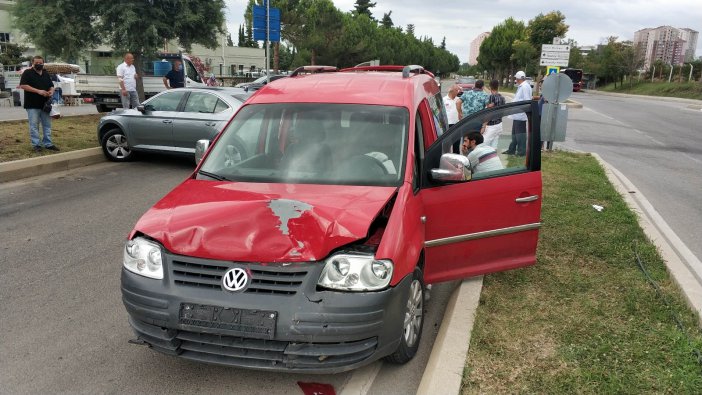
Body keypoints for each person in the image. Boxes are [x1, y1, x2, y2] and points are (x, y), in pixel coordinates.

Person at [19, 55, 59, 152]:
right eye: (36, 63)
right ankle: (36, 145)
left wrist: (51, 91)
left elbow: (51, 86)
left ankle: (48, 143)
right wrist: (38, 91)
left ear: (43, 63)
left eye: (40, 63)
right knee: (34, 126)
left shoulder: (45, 73)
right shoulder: (27, 73)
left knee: (47, 125)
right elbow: (23, 85)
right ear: (32, 63)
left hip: (45, 104)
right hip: (32, 104)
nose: (38, 64)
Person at [503, 71, 532, 156]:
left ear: (518, 78)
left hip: (520, 115)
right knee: (514, 135)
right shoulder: (522, 86)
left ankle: (521, 152)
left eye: (516, 78)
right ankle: (511, 150)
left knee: (520, 135)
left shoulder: (525, 87)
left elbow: (527, 100)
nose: (515, 79)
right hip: (516, 114)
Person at [482, 79, 505, 149]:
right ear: (498, 87)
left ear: (490, 87)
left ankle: (485, 159)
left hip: (491, 125)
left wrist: (484, 126)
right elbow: (503, 112)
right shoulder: (502, 98)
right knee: (494, 145)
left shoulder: (491, 97)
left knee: (483, 145)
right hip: (499, 124)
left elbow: (489, 113)